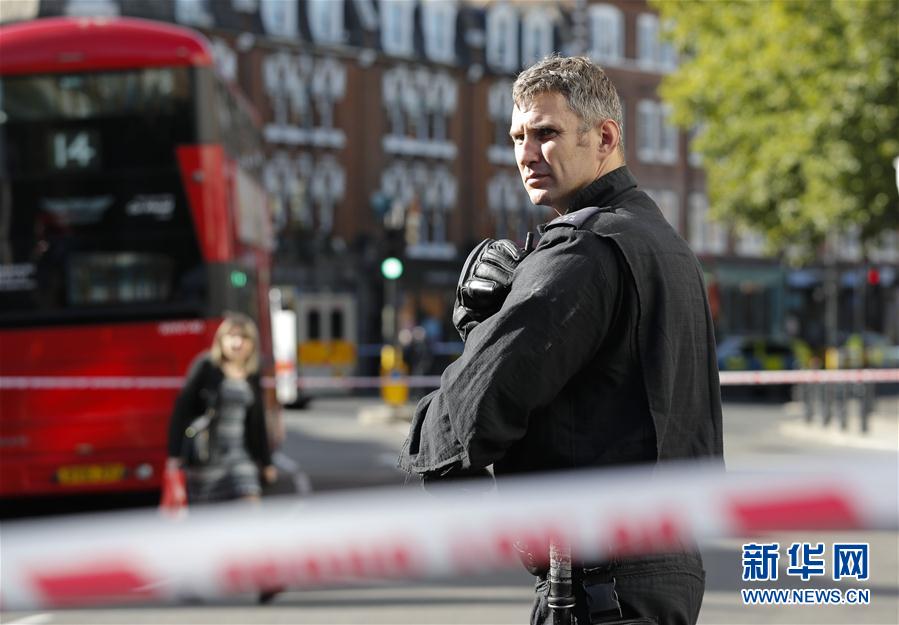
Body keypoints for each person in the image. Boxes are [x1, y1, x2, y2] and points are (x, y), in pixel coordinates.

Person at [398, 55, 723, 625]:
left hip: (597, 587)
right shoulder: (668, 246)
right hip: (668, 572)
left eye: (545, 133)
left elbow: (467, 414)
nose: (526, 154)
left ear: (605, 138)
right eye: (517, 137)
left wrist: (480, 331)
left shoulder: (582, 249)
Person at [166, 313, 277, 504]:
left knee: (251, 502)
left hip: (240, 456)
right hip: (207, 457)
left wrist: (266, 462)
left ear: (252, 343)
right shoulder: (205, 366)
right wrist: (174, 455)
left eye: (244, 337)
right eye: (232, 336)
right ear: (221, 340)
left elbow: (257, 422)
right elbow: (181, 411)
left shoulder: (252, 373)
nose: (237, 343)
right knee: (211, 517)